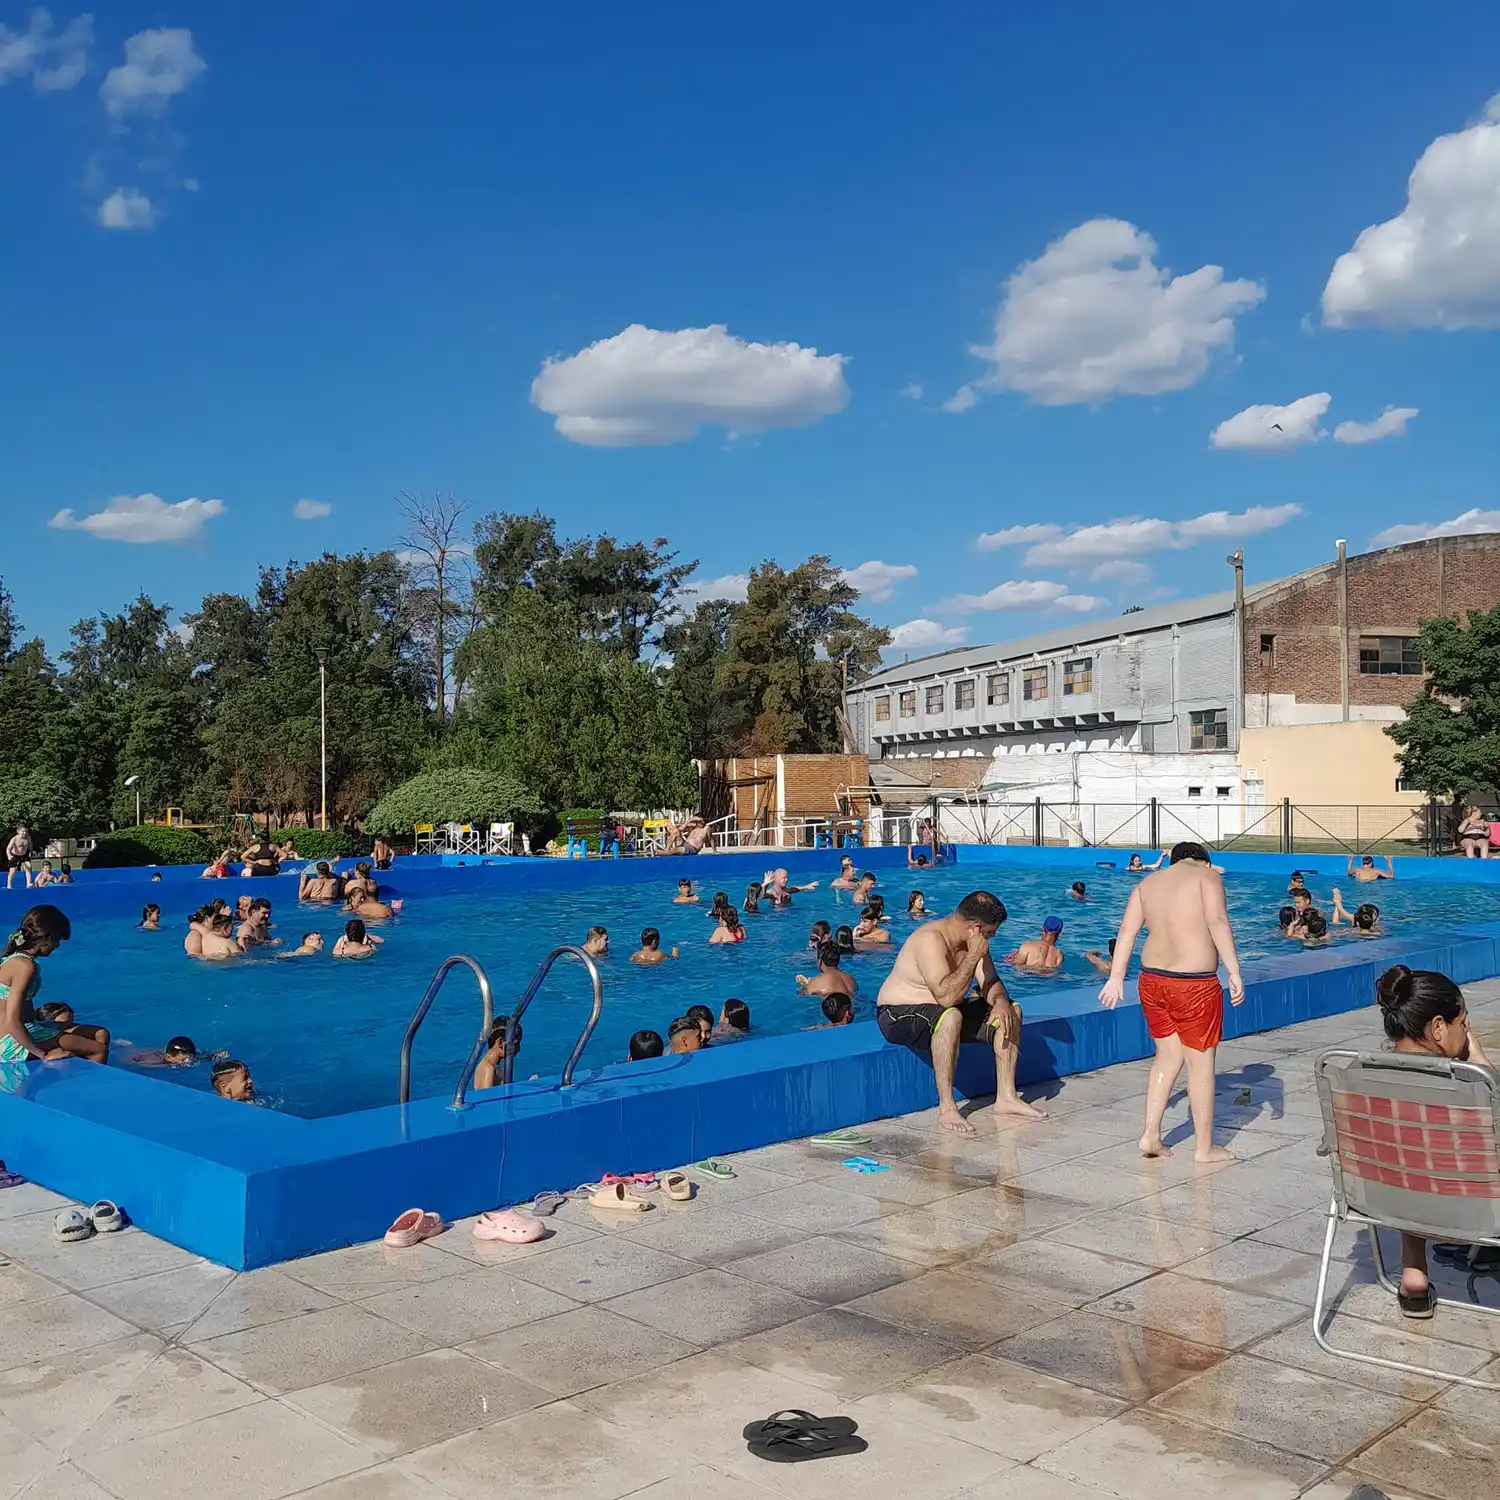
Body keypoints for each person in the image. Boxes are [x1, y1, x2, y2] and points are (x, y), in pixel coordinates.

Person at [1099, 841, 1244, 1162]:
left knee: (1166, 1057)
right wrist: (1233, 971)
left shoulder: (1147, 883)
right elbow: (1218, 922)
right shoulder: (1207, 878)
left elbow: (1126, 932)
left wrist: (1115, 977)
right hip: (1193, 985)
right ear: (1204, 861)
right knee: (1201, 1063)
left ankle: (1151, 1134)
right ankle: (1204, 1148)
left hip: (1151, 981)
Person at [1375, 965, 1496, 1319]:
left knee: (1408, 1156)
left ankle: (1413, 1270)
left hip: (1386, 1201)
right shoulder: (1468, 1087)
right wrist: (1481, 1064)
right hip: (1474, 1216)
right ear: (1439, 1027)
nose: (1468, 1029)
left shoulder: (1352, 1076)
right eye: (1464, 1021)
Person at [877, 890, 1044, 1134]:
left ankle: (1006, 1097)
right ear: (974, 928)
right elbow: (947, 998)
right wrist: (974, 955)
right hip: (896, 1014)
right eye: (989, 933)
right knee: (950, 1016)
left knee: (1012, 1010)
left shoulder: (975, 943)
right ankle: (947, 1107)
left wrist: (999, 1001)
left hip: (943, 1011)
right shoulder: (930, 940)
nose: (992, 938)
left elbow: (991, 982)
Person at [0, 907, 109, 1064]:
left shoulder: (16, 959)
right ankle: (87, 1087)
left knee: (100, 1033)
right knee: (98, 1049)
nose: (57, 945)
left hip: (29, 1028)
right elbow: (11, 1021)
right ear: (45, 936)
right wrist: (42, 1055)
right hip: (9, 1043)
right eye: (57, 939)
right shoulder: (24, 966)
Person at [473, 1015, 521, 1090]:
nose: (518, 1049)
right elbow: (488, 1099)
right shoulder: (489, 1069)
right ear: (500, 1042)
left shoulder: (494, 1066)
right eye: (515, 1044)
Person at [129, 1036, 199, 1068]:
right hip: (132, 1055)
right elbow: (137, 1063)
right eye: (183, 1060)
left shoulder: (188, 1058)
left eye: (187, 1059)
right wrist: (167, 1065)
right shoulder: (155, 1060)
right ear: (168, 1057)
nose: (185, 1062)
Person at [5, 825, 33, 890]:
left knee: (29, 866)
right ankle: (9, 885)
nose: (24, 833)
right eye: (23, 831)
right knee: (13, 871)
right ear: (18, 831)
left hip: (24, 855)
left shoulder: (28, 837)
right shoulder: (14, 838)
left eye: (26, 831)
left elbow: (30, 846)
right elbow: (8, 848)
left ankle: (28, 883)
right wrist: (9, 856)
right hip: (15, 855)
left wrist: (31, 851)